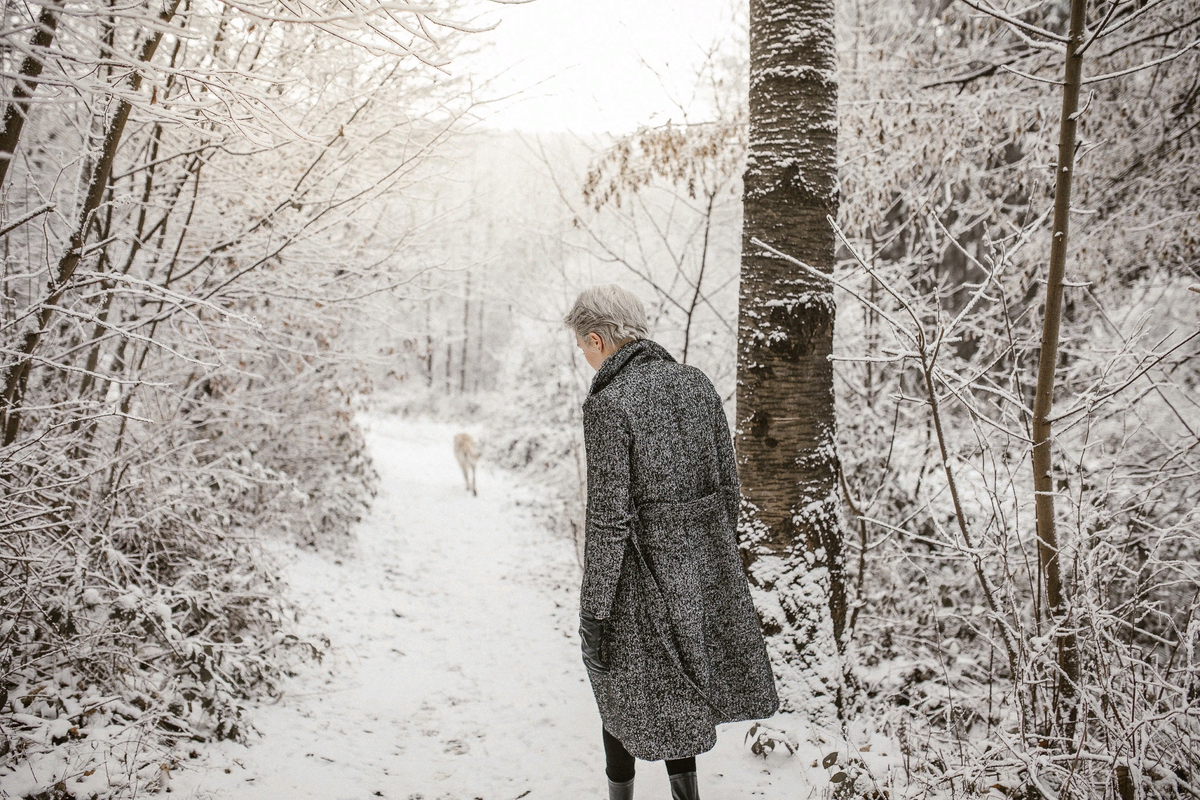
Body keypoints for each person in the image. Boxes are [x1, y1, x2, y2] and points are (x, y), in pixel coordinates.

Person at [564, 285, 780, 800]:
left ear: (598, 339)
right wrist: (709, 558)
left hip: (636, 577)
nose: (585, 359)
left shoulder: (609, 403)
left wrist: (594, 609)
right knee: (678, 695)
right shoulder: (696, 384)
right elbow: (729, 488)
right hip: (702, 574)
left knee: (617, 686)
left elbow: (609, 519)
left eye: (583, 348)